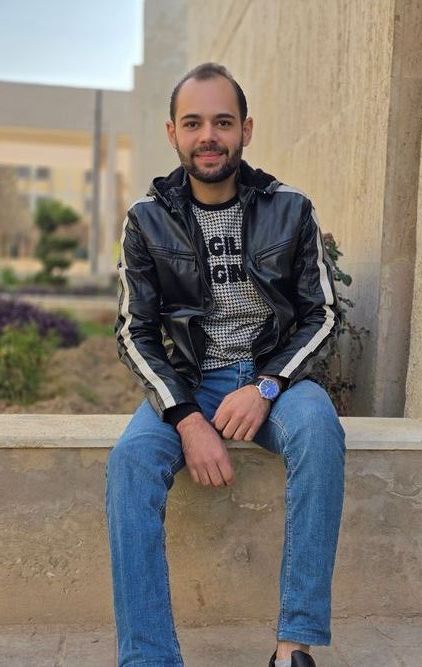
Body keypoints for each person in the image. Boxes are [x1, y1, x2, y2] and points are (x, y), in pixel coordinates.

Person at [105, 62, 346, 667]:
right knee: (131, 463)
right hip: (189, 383)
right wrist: (187, 418)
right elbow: (135, 332)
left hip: (274, 376)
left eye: (222, 122)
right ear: (172, 133)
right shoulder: (146, 219)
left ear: (246, 130)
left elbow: (321, 315)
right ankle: (150, 659)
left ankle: (293, 646)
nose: (208, 136)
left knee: (319, 428)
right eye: (193, 123)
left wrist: (266, 385)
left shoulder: (291, 209)